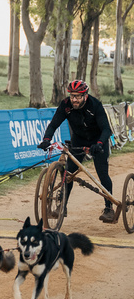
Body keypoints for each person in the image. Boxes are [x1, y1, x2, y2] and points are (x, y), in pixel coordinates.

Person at [37, 80, 114, 223]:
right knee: (68, 174)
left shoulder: (95, 105)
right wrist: (47, 139)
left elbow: (106, 129)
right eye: (72, 96)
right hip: (78, 140)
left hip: (98, 141)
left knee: (103, 175)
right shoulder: (66, 105)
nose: (74, 100)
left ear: (85, 96)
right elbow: (53, 124)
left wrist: (99, 144)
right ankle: (62, 206)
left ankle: (109, 209)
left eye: (78, 96)